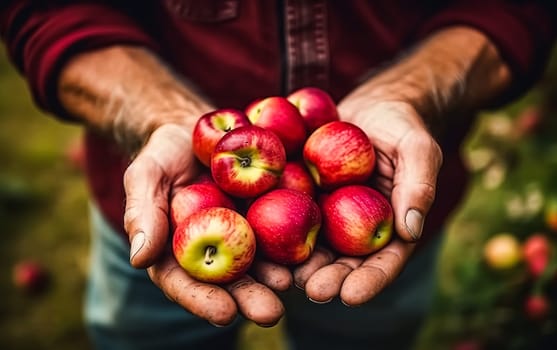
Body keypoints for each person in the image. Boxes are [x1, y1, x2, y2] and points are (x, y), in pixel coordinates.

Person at [1, 1, 555, 349]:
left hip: (391, 201)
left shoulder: (311, 170)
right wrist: (158, 115)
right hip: (164, 210)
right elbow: (46, 12)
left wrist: (410, 92)